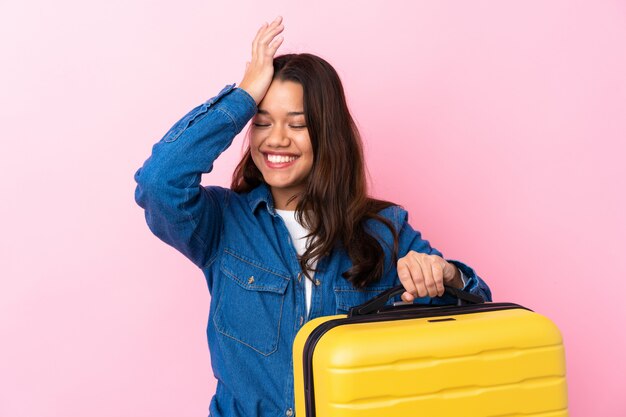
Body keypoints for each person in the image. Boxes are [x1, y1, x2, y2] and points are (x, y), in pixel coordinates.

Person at [134, 16, 491, 417]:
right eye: (262, 122)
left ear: (327, 133)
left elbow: (477, 310)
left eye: (297, 124)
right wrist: (243, 96)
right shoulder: (221, 224)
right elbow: (158, 182)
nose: (276, 139)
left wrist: (445, 275)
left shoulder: (385, 229)